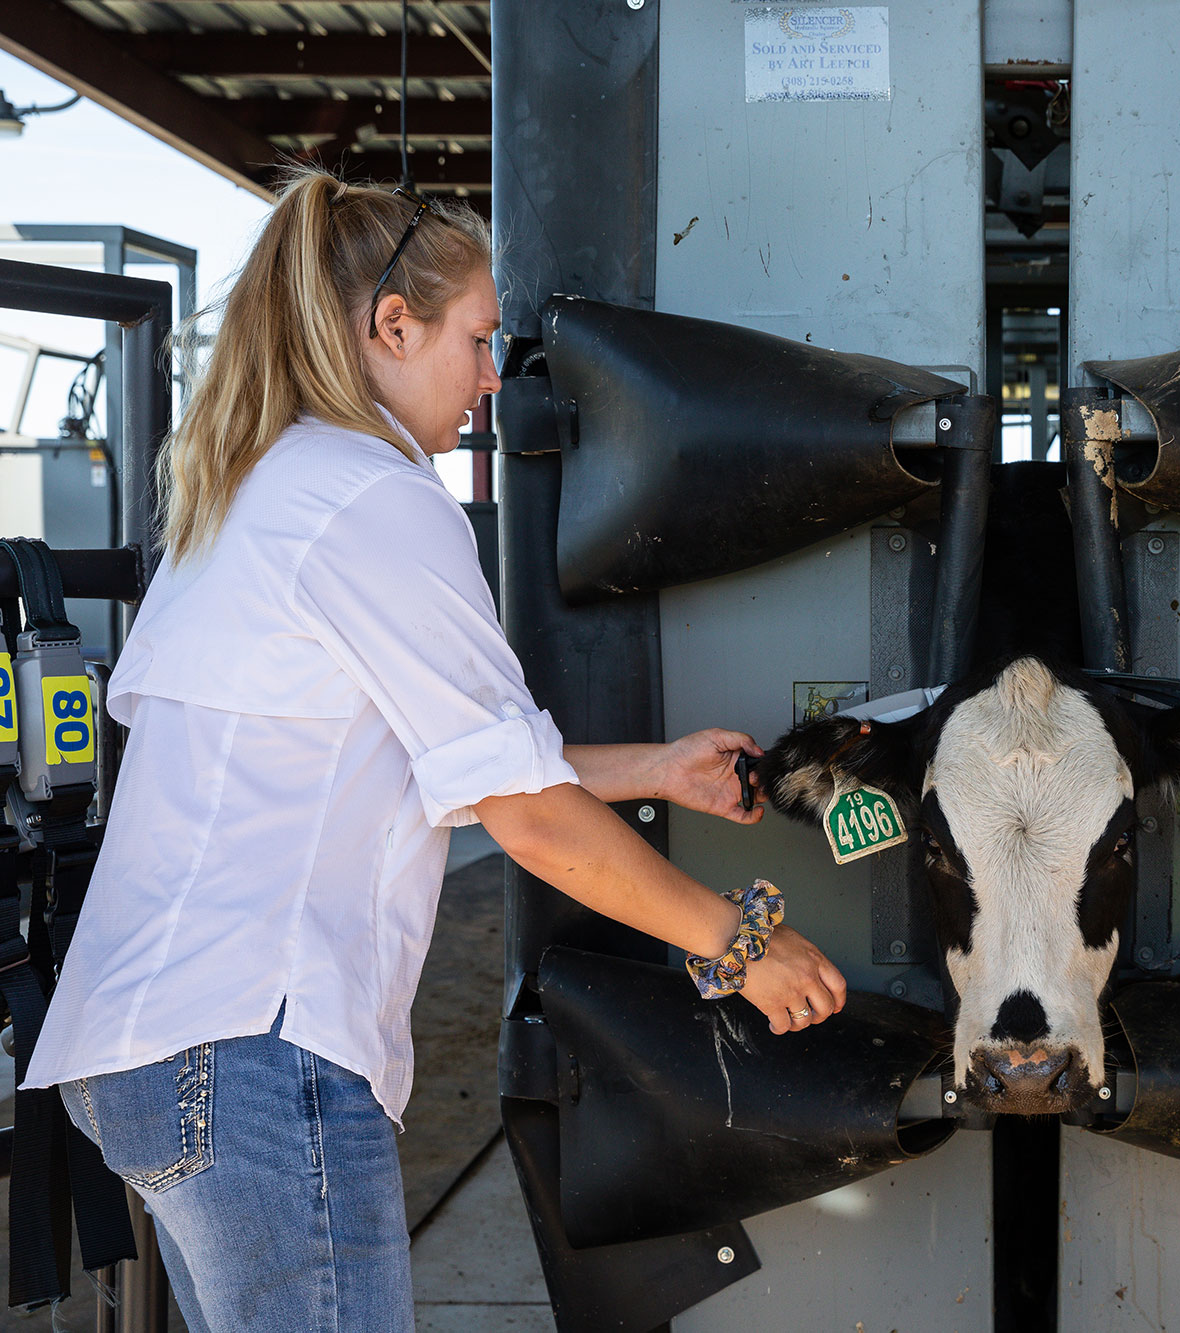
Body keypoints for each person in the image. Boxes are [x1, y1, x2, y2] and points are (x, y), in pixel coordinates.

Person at [20, 170, 846, 1332]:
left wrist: (654, 769)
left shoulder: (258, 487)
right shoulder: (375, 500)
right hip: (256, 1052)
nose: (491, 376)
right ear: (390, 328)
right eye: (474, 337)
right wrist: (740, 944)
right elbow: (524, 812)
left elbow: (411, 764)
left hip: (161, 1053)